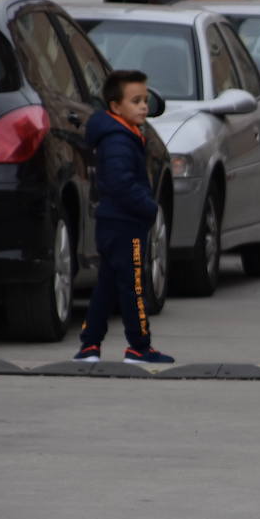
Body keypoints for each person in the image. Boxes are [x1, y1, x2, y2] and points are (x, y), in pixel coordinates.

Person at [74, 70, 175, 366]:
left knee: (107, 285)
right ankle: (139, 347)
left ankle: (89, 345)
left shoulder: (122, 134)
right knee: (133, 286)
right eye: (136, 101)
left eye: (145, 100)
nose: (144, 106)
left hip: (114, 223)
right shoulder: (118, 140)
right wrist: (149, 207)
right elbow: (119, 183)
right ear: (116, 107)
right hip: (124, 223)